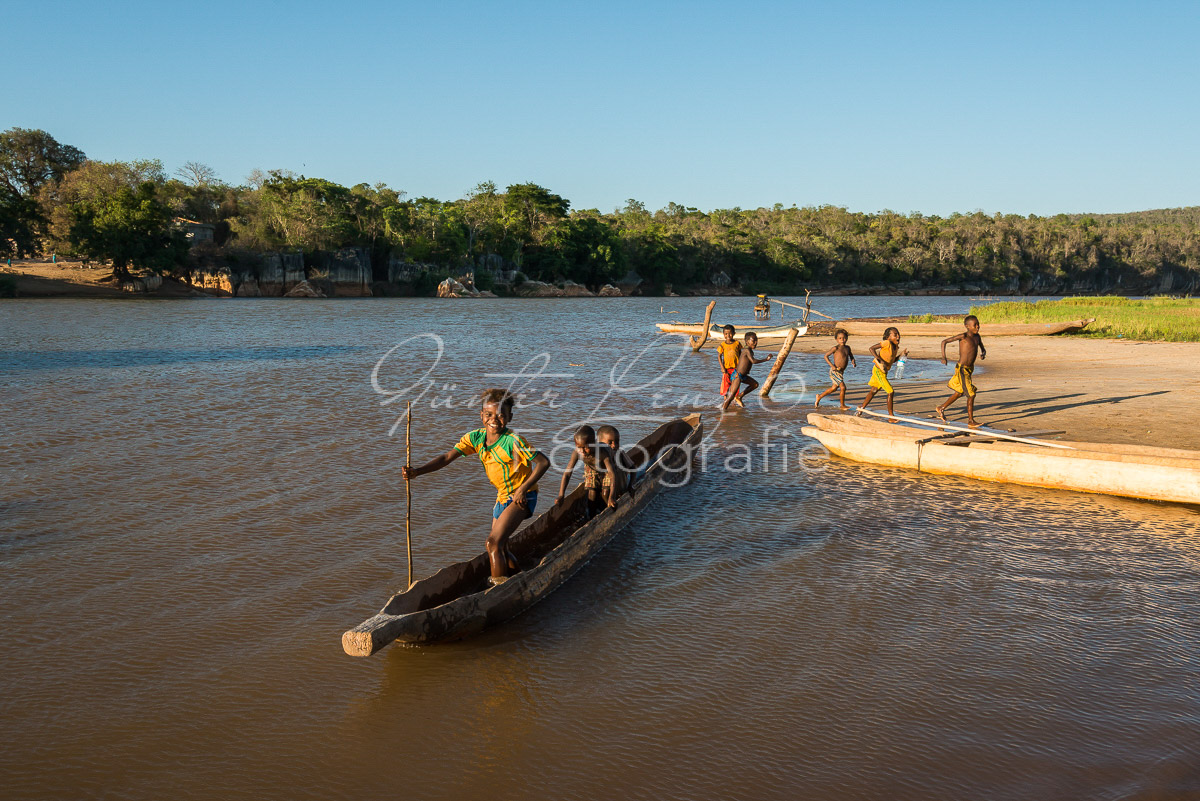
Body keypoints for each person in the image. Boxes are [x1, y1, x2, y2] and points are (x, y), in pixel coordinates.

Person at [402, 388, 549, 586]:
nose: (494, 420)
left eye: (500, 415)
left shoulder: (513, 441)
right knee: (500, 546)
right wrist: (417, 472)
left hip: (522, 496)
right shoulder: (476, 438)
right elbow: (446, 457)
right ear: (481, 415)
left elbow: (543, 462)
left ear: (510, 417)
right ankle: (519, 579)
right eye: (488, 415)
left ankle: (499, 587)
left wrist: (523, 489)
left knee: (493, 543)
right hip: (502, 496)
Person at [555, 425, 626, 515]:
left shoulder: (602, 451)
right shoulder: (577, 452)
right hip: (592, 469)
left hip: (607, 470)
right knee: (592, 495)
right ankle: (592, 517)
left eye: (585, 447)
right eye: (579, 447)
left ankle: (607, 512)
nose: (582, 451)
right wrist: (561, 495)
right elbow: (567, 474)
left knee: (605, 494)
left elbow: (612, 473)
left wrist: (612, 497)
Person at [936, 315, 987, 427]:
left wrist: (983, 353)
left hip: (969, 369)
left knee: (959, 392)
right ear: (967, 326)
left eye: (978, 324)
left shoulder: (977, 337)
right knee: (971, 394)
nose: (978, 326)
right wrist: (944, 357)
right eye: (975, 325)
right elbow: (944, 342)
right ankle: (970, 421)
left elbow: (982, 347)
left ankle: (941, 408)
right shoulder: (963, 336)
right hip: (962, 369)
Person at [855, 327, 907, 422]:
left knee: (874, 390)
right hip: (878, 371)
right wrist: (878, 359)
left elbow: (892, 360)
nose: (898, 336)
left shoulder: (895, 347)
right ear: (888, 337)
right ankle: (891, 417)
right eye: (895, 335)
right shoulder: (886, 343)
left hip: (883, 372)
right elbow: (871, 348)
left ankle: (861, 408)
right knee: (890, 391)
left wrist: (901, 356)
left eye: (898, 334)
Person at [722, 332, 775, 411]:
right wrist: (766, 359)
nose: (756, 343)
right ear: (747, 342)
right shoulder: (747, 350)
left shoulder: (749, 350)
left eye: (756, 341)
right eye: (753, 341)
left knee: (755, 384)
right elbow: (753, 361)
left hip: (743, 376)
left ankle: (739, 396)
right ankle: (723, 412)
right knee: (731, 396)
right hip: (738, 375)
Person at [815, 328, 856, 410]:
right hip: (835, 371)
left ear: (847, 338)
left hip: (841, 372)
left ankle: (819, 396)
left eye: (844, 338)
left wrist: (853, 361)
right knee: (843, 387)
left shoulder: (847, 348)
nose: (842, 340)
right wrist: (832, 366)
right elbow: (826, 356)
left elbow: (851, 356)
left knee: (834, 388)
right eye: (840, 338)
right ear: (836, 339)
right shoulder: (835, 348)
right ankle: (842, 405)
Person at [597, 424, 636, 490]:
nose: (614, 445)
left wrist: (630, 485)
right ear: (599, 443)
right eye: (610, 443)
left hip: (621, 488)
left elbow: (633, 468)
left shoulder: (620, 453)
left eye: (617, 442)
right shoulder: (597, 455)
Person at [716, 324, 742, 399]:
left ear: (734, 333)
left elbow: (740, 355)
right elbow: (719, 356)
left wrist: (741, 367)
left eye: (730, 333)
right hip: (726, 369)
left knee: (735, 385)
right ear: (723, 335)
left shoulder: (737, 343)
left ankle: (734, 399)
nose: (728, 335)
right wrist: (722, 367)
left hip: (736, 369)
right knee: (726, 385)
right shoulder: (723, 345)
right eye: (726, 334)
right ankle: (725, 399)